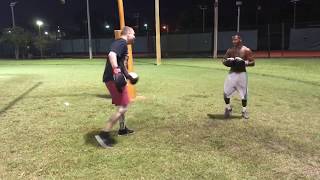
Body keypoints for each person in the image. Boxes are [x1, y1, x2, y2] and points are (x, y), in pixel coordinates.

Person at [95, 26, 136, 148]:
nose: (134, 37)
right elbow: (112, 55)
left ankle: (122, 129)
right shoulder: (121, 42)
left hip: (115, 79)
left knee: (122, 105)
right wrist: (117, 71)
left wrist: (128, 75)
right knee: (123, 107)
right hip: (114, 79)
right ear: (128, 33)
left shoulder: (124, 45)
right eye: (133, 34)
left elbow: (121, 64)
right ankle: (103, 134)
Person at [222, 35, 255, 119]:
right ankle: (228, 108)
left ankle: (244, 111)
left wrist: (245, 63)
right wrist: (227, 62)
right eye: (233, 40)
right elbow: (223, 60)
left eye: (235, 40)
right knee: (226, 93)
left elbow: (253, 62)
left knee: (244, 94)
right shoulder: (230, 50)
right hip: (232, 74)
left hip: (242, 74)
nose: (234, 41)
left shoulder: (246, 50)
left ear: (240, 40)